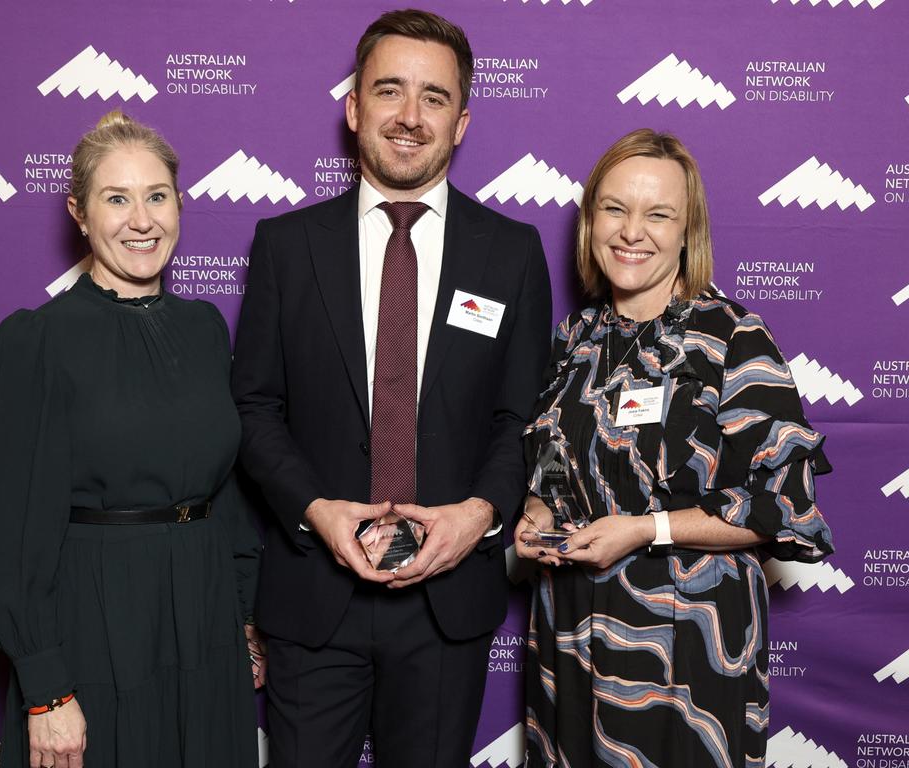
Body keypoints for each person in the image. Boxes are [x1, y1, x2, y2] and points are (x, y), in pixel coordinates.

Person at [230, 9, 552, 767]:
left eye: (434, 98)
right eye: (390, 91)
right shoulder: (285, 246)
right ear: (353, 108)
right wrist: (315, 511)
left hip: (447, 605)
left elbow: (521, 417)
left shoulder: (511, 253)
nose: (410, 117)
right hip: (315, 595)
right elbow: (254, 408)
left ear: (462, 121)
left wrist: (477, 517)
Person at [515, 128, 834, 767]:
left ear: (687, 232)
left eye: (658, 214)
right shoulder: (576, 337)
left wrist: (643, 529)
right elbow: (555, 459)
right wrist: (537, 514)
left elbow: (779, 506)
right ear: (589, 221)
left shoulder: (732, 339)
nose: (633, 231)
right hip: (571, 632)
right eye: (615, 208)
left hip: (688, 642)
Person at [0, 110, 263, 768]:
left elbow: (230, 493)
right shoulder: (36, 342)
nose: (142, 220)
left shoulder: (205, 328)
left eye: (157, 196)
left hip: (205, 618)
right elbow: (7, 536)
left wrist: (243, 617)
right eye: (117, 199)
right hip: (96, 624)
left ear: (180, 205)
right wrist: (46, 690)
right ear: (79, 212)